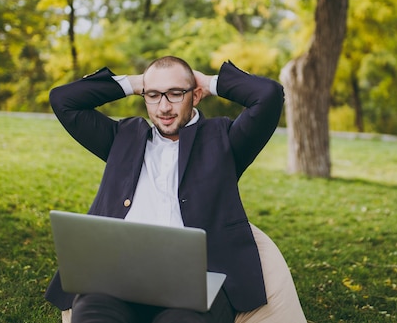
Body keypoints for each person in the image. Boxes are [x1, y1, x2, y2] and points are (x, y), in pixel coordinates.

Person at [45, 56, 285, 323]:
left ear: (195, 95)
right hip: (116, 280)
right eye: (154, 96)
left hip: (195, 285)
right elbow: (63, 100)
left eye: (175, 94)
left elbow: (269, 95)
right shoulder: (122, 137)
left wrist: (208, 81)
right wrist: (137, 82)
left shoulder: (224, 139)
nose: (164, 107)